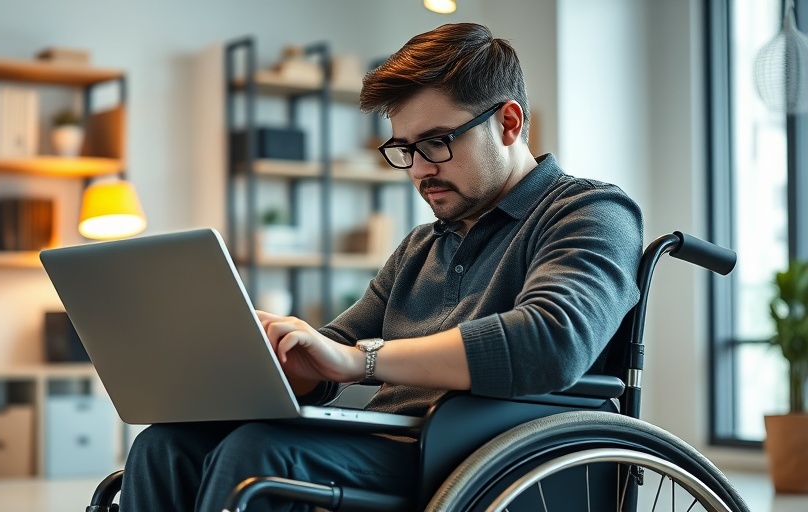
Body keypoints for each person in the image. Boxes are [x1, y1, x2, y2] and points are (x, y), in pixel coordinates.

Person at [120, 22, 642, 511]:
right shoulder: (421, 246)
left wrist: (361, 361)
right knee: (166, 446)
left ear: (509, 122)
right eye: (404, 149)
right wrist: (276, 356)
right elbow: (337, 347)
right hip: (394, 443)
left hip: (485, 458)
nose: (419, 170)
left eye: (436, 143)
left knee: (260, 452)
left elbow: (552, 340)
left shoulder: (590, 211)